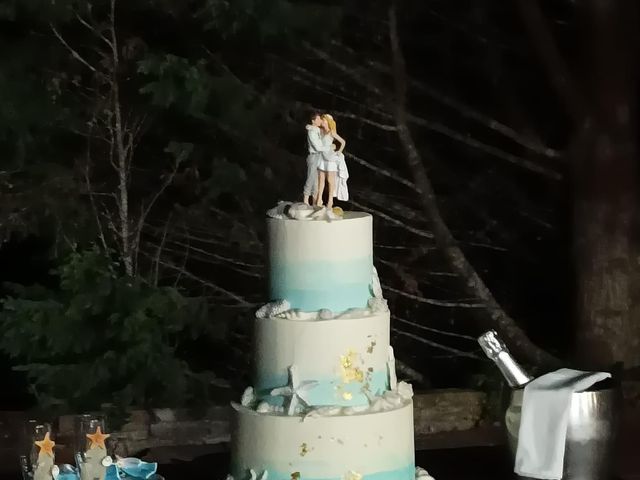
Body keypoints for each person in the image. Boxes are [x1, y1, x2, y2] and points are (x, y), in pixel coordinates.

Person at [316, 114, 346, 209]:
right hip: (322, 157)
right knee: (321, 180)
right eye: (323, 120)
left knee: (330, 180)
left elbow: (343, 142)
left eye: (324, 120)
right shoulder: (321, 132)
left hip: (330, 158)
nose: (323, 122)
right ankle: (319, 200)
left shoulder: (331, 132)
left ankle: (330, 201)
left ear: (328, 122)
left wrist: (339, 152)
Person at [302, 112, 331, 205]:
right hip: (314, 156)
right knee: (310, 177)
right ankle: (306, 199)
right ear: (313, 121)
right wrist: (328, 148)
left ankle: (315, 201)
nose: (320, 121)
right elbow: (317, 147)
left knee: (316, 180)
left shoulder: (317, 131)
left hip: (319, 156)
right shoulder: (312, 131)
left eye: (320, 119)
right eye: (318, 119)